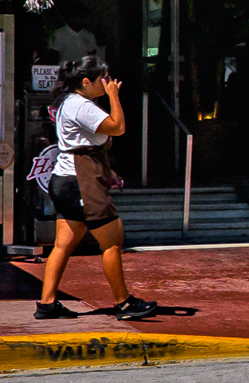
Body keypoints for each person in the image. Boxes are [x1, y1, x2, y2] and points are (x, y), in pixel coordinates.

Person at [36, 56, 158, 321]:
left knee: (63, 244)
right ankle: (123, 303)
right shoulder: (81, 105)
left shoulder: (68, 102)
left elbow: (85, 143)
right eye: (103, 78)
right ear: (86, 82)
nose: (107, 82)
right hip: (81, 180)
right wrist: (114, 96)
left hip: (67, 177)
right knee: (112, 240)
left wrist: (108, 172)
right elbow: (118, 127)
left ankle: (46, 304)